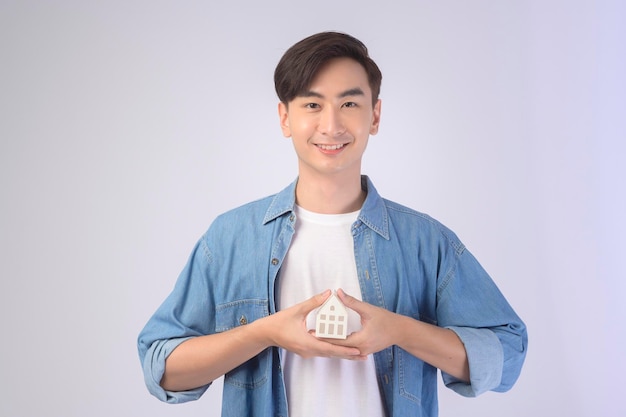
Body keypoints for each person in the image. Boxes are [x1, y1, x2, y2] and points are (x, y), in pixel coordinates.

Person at [137, 31, 527, 417]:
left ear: (374, 115)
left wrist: (399, 330)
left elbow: (507, 355)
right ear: (284, 117)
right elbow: (162, 367)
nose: (331, 125)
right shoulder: (230, 238)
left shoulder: (425, 241)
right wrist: (264, 333)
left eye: (349, 104)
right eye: (312, 104)